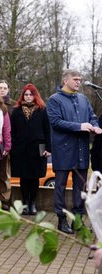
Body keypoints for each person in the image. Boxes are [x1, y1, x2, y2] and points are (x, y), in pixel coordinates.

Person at [47, 69, 102, 234]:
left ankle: (77, 222)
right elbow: (56, 122)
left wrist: (96, 127)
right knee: (60, 187)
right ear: (65, 80)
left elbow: (92, 117)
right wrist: (79, 126)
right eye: (75, 79)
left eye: (80, 79)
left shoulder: (83, 99)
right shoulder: (54, 100)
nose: (78, 82)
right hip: (63, 151)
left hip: (81, 151)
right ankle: (61, 220)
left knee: (81, 188)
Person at [10, 83, 51, 216]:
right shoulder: (16, 111)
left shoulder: (42, 110)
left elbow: (48, 131)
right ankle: (25, 204)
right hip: (21, 150)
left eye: (31, 94)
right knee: (23, 178)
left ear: (35, 96)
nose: (28, 97)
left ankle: (32, 204)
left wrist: (49, 148)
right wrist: (13, 147)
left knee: (34, 178)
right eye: (26, 94)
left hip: (37, 149)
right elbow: (12, 131)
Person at [0, 80, 16, 207]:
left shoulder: (13, 105)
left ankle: (5, 200)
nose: (2, 90)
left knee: (4, 173)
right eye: (0, 87)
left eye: (4, 88)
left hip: (6, 143)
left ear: (8, 90)